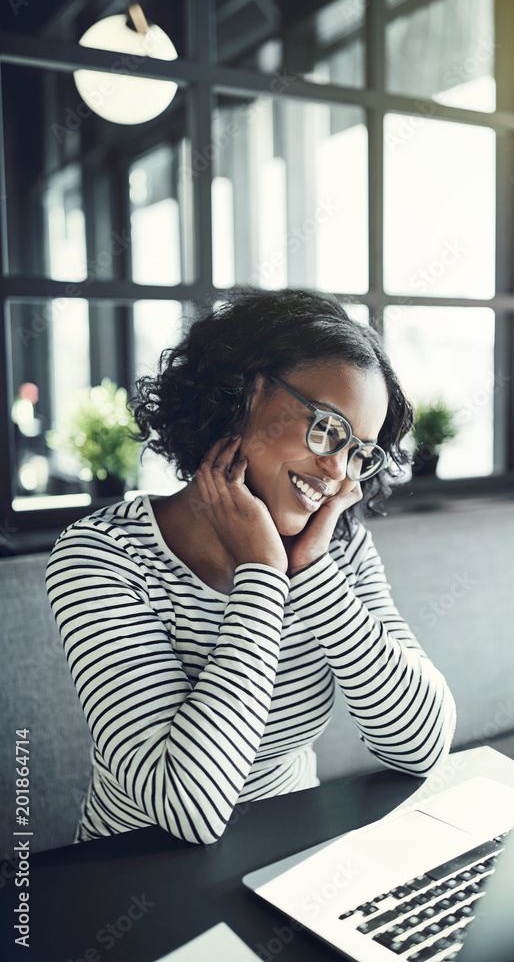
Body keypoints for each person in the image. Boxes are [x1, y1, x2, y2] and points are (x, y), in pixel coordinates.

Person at [45, 290, 456, 845]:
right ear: (247, 393)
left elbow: (424, 746)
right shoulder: (103, 555)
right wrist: (262, 574)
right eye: (328, 428)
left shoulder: (336, 549)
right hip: (137, 876)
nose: (336, 471)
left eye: (358, 449)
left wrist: (310, 573)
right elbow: (187, 808)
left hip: (293, 861)